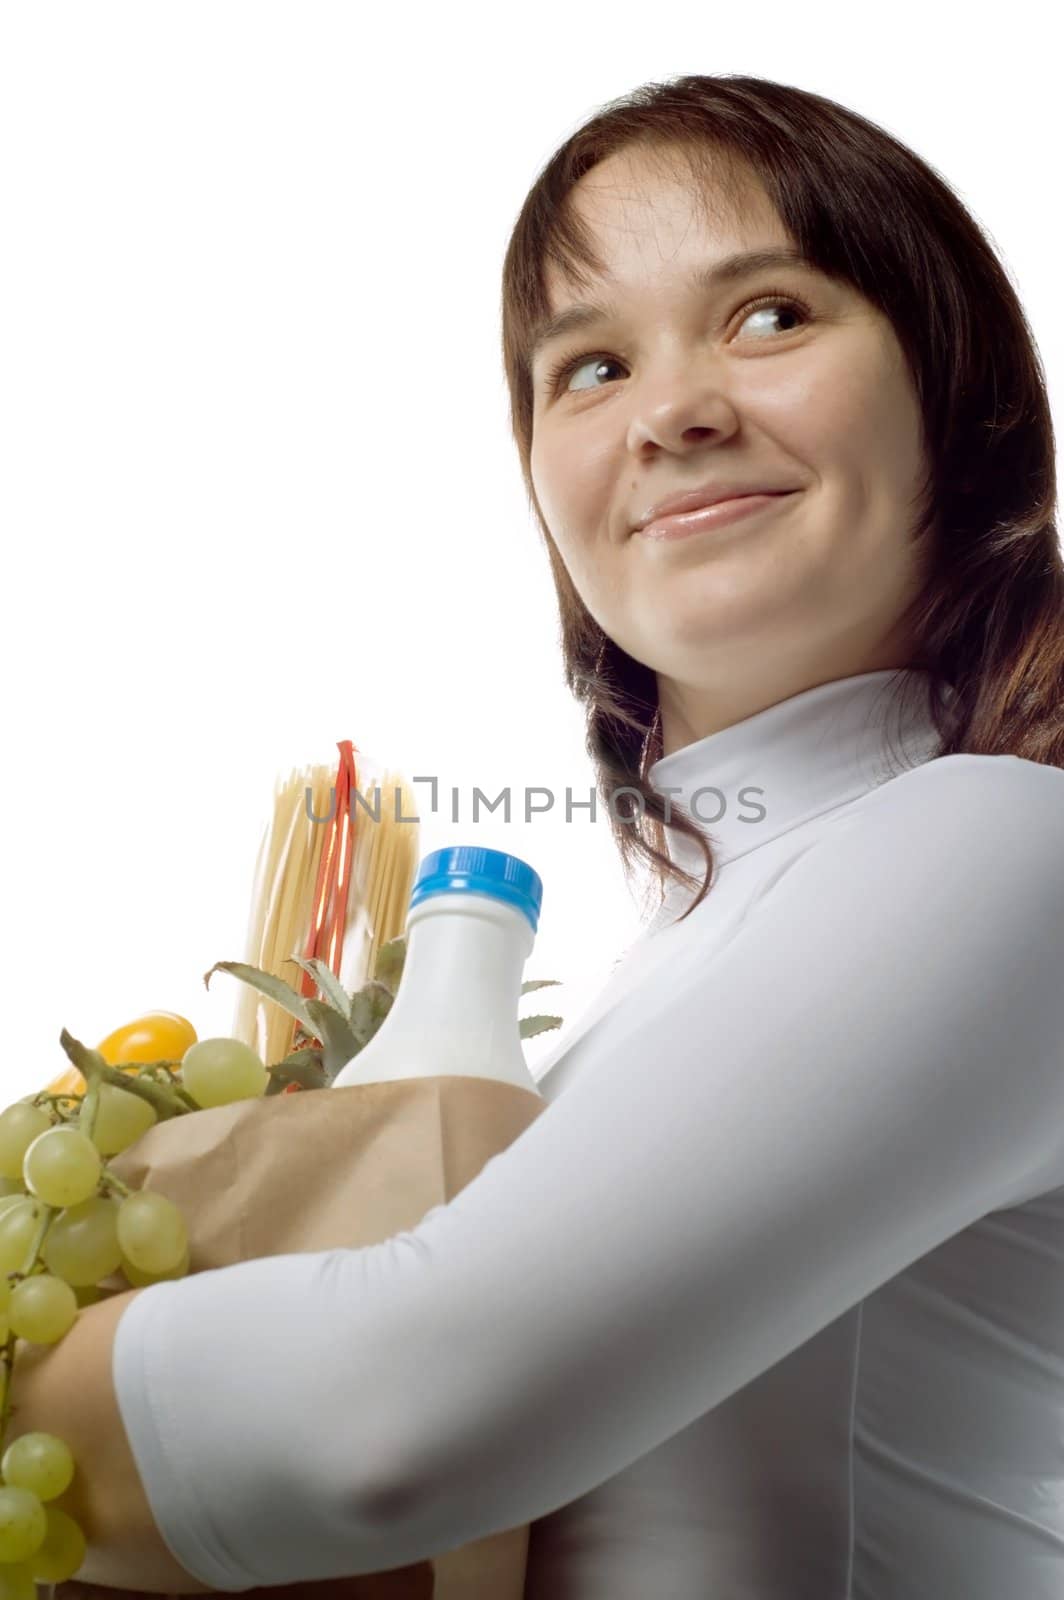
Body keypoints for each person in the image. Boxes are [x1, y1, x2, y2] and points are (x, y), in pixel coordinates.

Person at [32, 74, 1064, 1597]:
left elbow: (380, 1422)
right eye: (588, 366)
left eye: (770, 315)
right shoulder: (663, 988)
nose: (673, 413)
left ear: (961, 405)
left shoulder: (1003, 847)